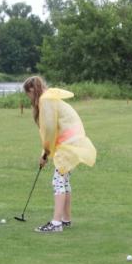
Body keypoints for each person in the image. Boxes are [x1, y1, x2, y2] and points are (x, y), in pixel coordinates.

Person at [22, 76, 96, 233]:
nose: (28, 97)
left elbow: (49, 129)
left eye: (27, 94)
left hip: (68, 142)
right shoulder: (48, 97)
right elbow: (51, 130)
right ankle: (65, 219)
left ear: (32, 90)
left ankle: (56, 223)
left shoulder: (45, 100)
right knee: (64, 179)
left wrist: (45, 153)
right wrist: (45, 153)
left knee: (58, 181)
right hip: (71, 140)